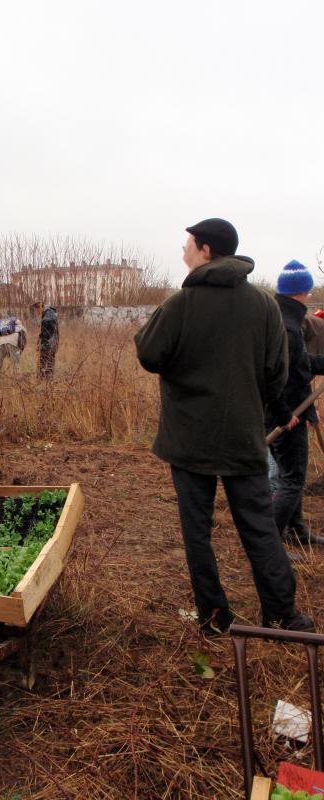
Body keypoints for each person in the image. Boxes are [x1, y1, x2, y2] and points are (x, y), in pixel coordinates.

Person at [135, 218, 314, 634]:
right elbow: (277, 373)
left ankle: (215, 618)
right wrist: (254, 406)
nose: (184, 253)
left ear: (207, 251)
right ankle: (283, 614)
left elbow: (148, 353)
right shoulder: (265, 304)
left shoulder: (181, 303)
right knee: (259, 526)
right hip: (243, 437)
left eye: (188, 246)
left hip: (189, 440)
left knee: (197, 533)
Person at [267, 261, 324, 547]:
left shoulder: (281, 320)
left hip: (284, 412)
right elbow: (278, 378)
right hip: (288, 416)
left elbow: (301, 366)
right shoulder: (288, 328)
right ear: (302, 290)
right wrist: (285, 414)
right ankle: (270, 544)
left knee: (291, 476)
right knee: (293, 479)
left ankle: (296, 530)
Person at [38, 305, 59, 379]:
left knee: (44, 361)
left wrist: (42, 336)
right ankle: (48, 379)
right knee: (50, 362)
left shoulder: (48, 311)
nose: (38, 312)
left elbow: (47, 322)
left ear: (40, 307)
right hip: (53, 343)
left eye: (37, 310)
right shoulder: (52, 313)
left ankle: (42, 379)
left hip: (48, 343)